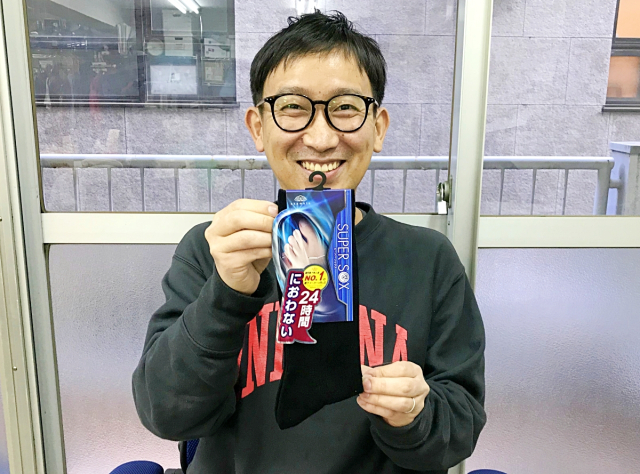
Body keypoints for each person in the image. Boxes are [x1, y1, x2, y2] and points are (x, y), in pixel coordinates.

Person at [132, 11, 486, 474]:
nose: (320, 138)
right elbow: (167, 414)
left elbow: (459, 431)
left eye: (346, 108)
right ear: (258, 127)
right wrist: (226, 294)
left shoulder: (429, 260)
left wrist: (416, 415)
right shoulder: (213, 250)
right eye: (293, 107)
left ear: (378, 127)